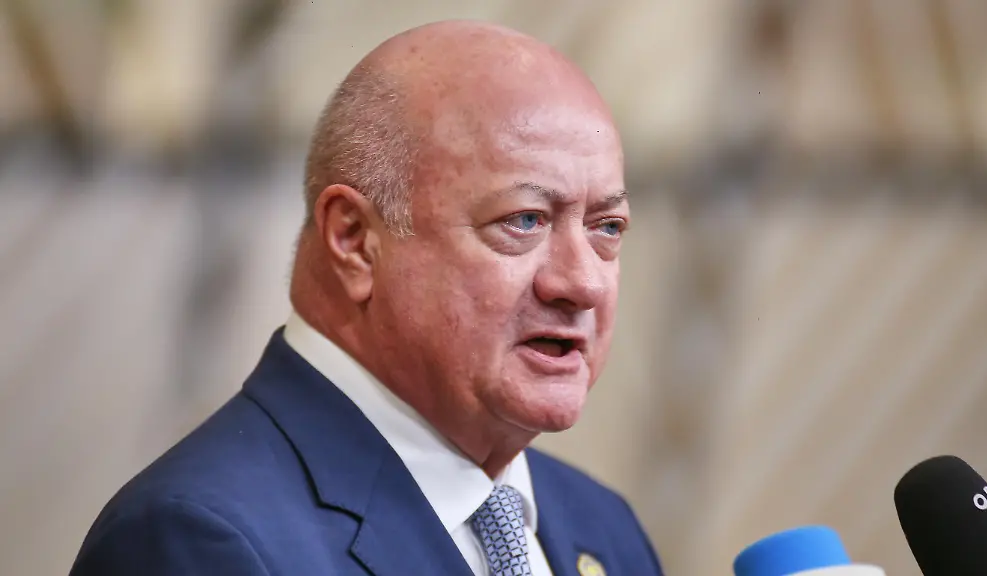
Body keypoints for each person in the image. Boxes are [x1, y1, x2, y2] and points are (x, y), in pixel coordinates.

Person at [69, 19, 663, 576]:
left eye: (607, 227)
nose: (583, 284)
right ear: (354, 240)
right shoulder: (200, 539)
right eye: (524, 220)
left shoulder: (603, 528)